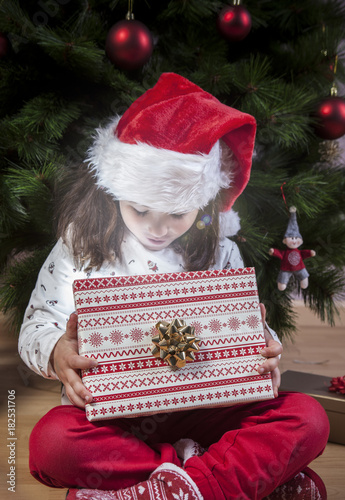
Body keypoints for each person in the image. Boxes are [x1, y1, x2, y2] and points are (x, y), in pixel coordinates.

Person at [19, 73, 329, 500]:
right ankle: (207, 472)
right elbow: (37, 325)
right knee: (52, 444)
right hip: (117, 421)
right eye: (141, 209)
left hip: (214, 409)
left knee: (309, 418)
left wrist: (265, 347)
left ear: (201, 203)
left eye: (178, 214)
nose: (158, 228)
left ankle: (164, 487)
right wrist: (57, 352)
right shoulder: (79, 243)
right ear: (115, 193)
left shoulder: (219, 248)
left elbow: (245, 327)